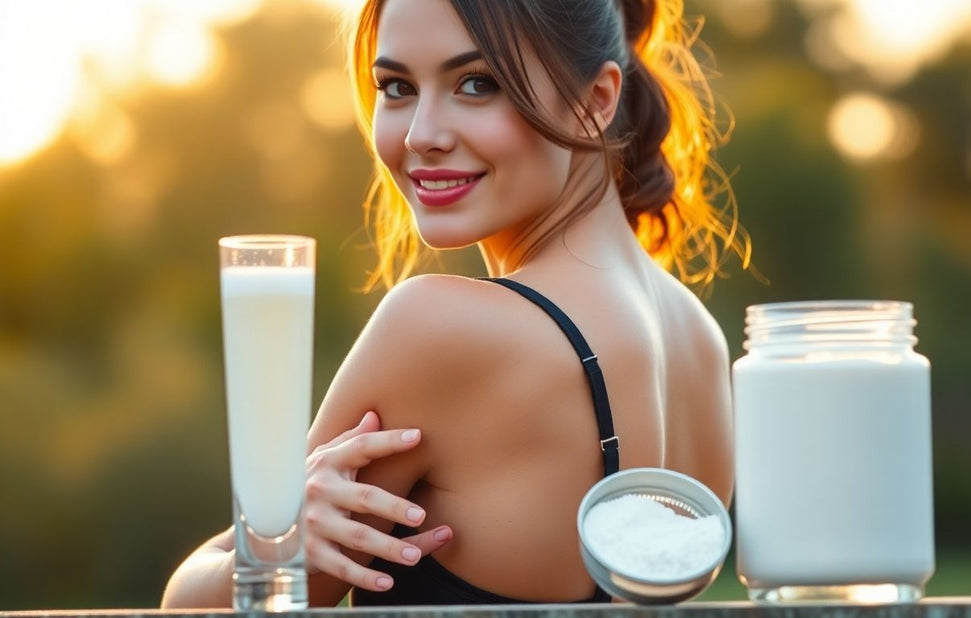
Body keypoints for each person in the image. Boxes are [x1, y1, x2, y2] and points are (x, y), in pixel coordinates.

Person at [164, 0, 750, 607]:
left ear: (597, 100)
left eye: (477, 83)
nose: (422, 134)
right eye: (396, 86)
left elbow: (228, 602)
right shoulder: (702, 342)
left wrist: (265, 546)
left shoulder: (437, 328)